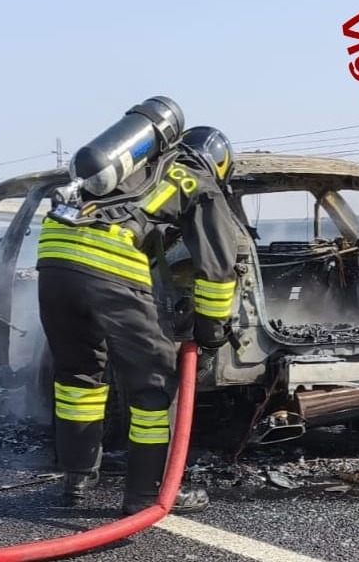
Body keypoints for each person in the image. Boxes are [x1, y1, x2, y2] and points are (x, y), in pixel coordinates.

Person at [36, 123, 242, 515]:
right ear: (220, 163)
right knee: (153, 384)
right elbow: (217, 267)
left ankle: (76, 479)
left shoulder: (135, 165)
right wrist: (211, 330)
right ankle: (146, 496)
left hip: (54, 256)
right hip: (108, 259)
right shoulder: (199, 178)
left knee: (78, 375)